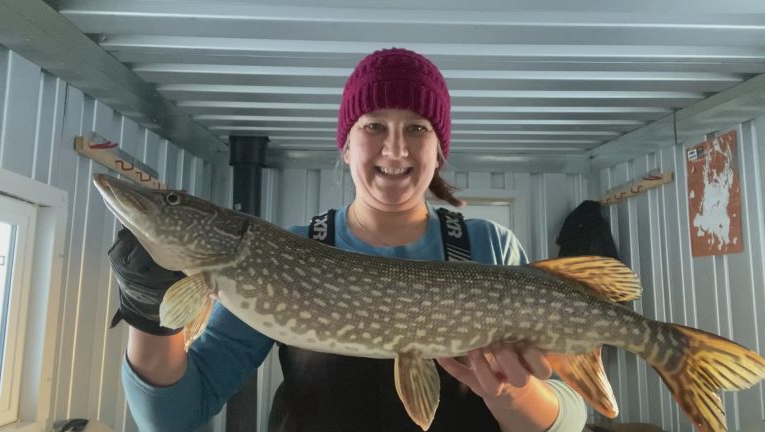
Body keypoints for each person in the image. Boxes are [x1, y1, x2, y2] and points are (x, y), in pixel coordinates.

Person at [112, 48, 588, 431]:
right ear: (346, 144)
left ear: (438, 149)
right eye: (374, 125)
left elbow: (571, 416)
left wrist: (514, 392)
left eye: (417, 128)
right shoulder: (276, 257)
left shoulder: (490, 249)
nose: (396, 148)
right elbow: (173, 416)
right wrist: (146, 310)